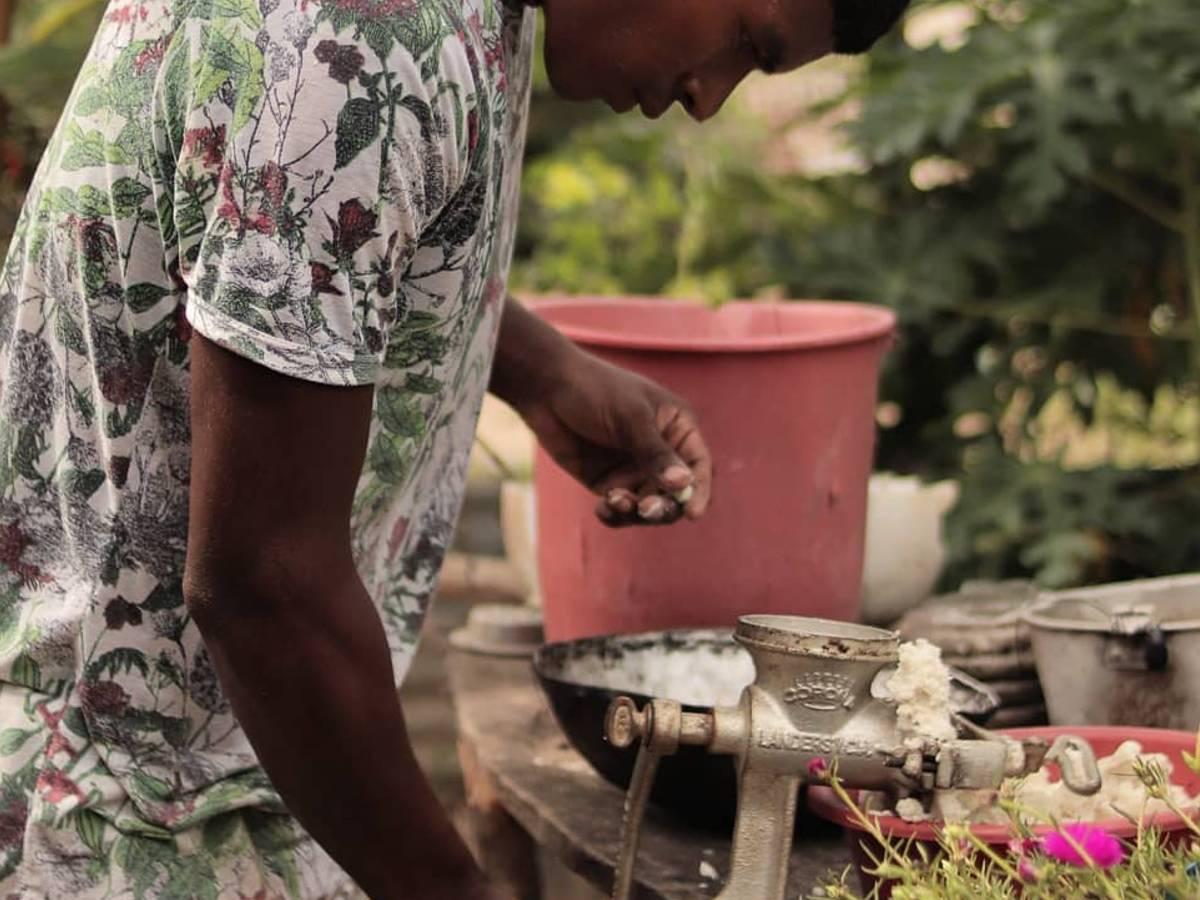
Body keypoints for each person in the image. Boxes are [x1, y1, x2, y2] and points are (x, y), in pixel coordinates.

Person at [0, 0, 909, 895]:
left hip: (223, 765)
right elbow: (264, 587)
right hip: (117, 812)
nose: (711, 99)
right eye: (748, 42)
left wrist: (537, 368)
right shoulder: (366, 36)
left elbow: (280, 239)